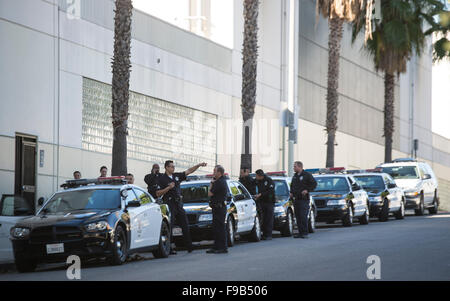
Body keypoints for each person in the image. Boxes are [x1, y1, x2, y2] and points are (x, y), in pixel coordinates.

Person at [156, 160, 207, 254]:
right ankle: (169, 248)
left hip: (179, 204)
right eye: (171, 166)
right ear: (166, 167)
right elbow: (158, 193)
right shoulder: (162, 179)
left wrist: (198, 165)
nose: (173, 168)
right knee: (170, 226)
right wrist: (168, 188)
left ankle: (189, 246)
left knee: (185, 224)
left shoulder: (176, 176)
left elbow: (189, 171)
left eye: (173, 166)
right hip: (170, 203)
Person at [290, 161, 317, 239]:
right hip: (296, 199)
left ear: (300, 167)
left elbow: (314, 184)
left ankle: (305, 233)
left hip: (304, 199)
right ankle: (300, 232)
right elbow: (292, 185)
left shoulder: (307, 175)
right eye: (294, 166)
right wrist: (291, 192)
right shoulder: (295, 176)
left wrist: (307, 190)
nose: (294, 168)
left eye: (295, 166)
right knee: (298, 216)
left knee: (303, 216)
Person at [206, 165, 229, 254]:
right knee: (216, 228)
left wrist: (211, 184)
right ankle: (216, 247)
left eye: (214, 171)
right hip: (217, 208)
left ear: (219, 173)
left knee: (220, 228)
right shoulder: (220, 181)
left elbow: (210, 193)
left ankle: (222, 247)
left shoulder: (219, 182)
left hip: (219, 208)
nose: (213, 173)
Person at [254, 169, 276, 240]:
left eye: (256, 176)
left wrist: (261, 194)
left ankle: (268, 235)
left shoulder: (269, 180)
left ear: (260, 176)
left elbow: (270, 191)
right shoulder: (257, 181)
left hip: (269, 202)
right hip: (261, 202)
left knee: (269, 218)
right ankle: (264, 234)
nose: (256, 177)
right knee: (263, 219)